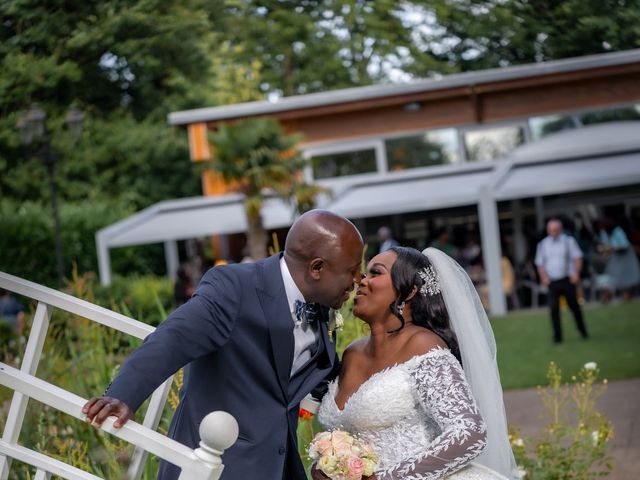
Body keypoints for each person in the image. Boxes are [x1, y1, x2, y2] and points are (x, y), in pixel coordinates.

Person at [82, 210, 365, 480]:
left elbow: (312, 381)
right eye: (352, 271)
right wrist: (123, 394)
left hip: (279, 468)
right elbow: (175, 336)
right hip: (217, 466)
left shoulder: (321, 309)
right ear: (317, 268)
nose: (357, 280)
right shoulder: (234, 288)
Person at [314, 247, 518, 480]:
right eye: (364, 273)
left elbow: (469, 433)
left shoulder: (423, 346)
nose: (362, 280)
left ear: (409, 292)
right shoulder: (352, 353)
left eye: (375, 273)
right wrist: (325, 468)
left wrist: (387, 478)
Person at [535, 219, 589, 343]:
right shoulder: (543, 245)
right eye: (551, 230)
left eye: (556, 230)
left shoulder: (568, 241)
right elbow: (540, 263)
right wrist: (544, 277)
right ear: (548, 231)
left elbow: (577, 258)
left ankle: (583, 331)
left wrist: (576, 273)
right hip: (552, 282)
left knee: (574, 307)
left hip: (567, 280)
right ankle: (557, 337)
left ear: (560, 229)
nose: (554, 232)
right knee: (553, 310)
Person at [597, 217, 640, 302]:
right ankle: (608, 296)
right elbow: (606, 246)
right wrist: (605, 255)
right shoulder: (603, 233)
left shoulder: (617, 231)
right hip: (614, 258)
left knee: (626, 276)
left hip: (625, 257)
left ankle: (626, 295)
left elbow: (624, 245)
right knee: (611, 276)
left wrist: (611, 248)